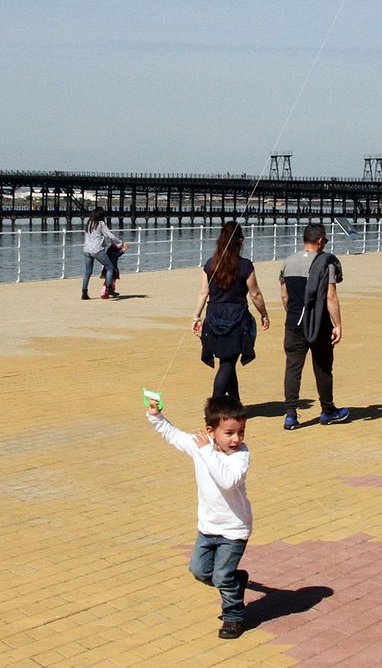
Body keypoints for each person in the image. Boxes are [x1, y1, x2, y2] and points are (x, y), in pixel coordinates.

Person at [145, 394, 252, 640]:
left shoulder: (240, 456)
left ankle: (233, 617)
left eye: (241, 432)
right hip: (208, 526)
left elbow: (227, 481)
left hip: (234, 529)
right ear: (211, 431)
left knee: (221, 576)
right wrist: (156, 416)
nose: (236, 439)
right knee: (200, 571)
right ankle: (236, 581)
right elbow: (173, 435)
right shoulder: (200, 444)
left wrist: (205, 451)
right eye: (229, 433)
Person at [278, 223, 346, 430]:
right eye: (325, 240)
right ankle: (327, 411)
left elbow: (284, 295)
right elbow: (330, 296)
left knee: (293, 368)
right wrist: (338, 324)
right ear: (319, 241)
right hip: (319, 323)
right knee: (323, 367)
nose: (325, 244)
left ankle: (290, 415)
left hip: (294, 323)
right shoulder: (326, 264)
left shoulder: (287, 262)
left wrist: (292, 314)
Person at [192, 221, 270, 403]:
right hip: (236, 317)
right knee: (227, 362)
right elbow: (255, 293)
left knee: (228, 360)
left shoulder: (210, 264)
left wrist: (196, 316)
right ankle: (215, 407)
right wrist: (264, 313)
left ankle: (235, 404)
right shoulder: (245, 265)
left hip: (214, 315)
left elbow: (204, 292)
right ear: (240, 241)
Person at [81, 208, 125, 300]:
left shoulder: (89, 222)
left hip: (86, 250)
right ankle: (109, 288)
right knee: (110, 268)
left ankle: (84, 293)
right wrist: (120, 242)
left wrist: (106, 243)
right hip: (96, 250)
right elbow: (110, 235)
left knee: (87, 272)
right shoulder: (101, 223)